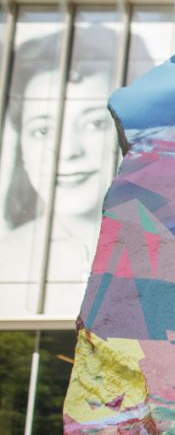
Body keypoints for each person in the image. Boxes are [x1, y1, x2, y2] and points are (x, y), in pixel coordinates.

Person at [0, 28, 126, 314]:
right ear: (22, 148)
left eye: (94, 124)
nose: (68, 150)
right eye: (42, 130)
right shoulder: (5, 262)